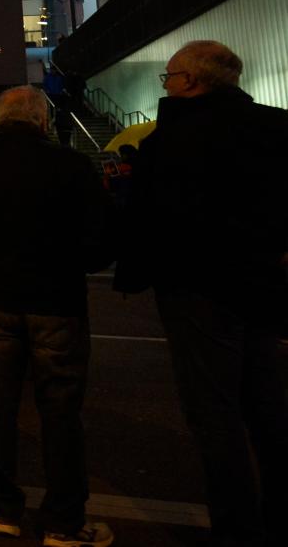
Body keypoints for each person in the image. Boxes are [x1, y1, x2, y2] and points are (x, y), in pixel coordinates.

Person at [115, 40, 288, 546]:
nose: (165, 84)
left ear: (191, 80)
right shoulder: (276, 127)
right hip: (264, 287)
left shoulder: (169, 141)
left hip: (197, 293)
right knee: (269, 407)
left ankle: (237, 529)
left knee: (215, 417)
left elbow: (144, 220)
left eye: (168, 76)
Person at [0, 86, 114, 547]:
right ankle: (63, 521)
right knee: (61, 412)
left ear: (0, 118)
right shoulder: (71, 165)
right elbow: (101, 241)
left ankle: (2, 506)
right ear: (42, 121)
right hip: (57, 301)